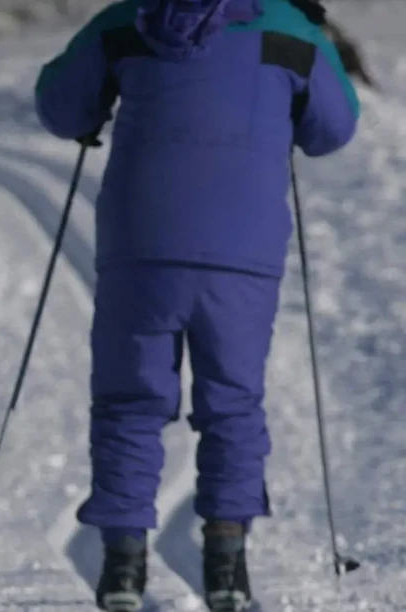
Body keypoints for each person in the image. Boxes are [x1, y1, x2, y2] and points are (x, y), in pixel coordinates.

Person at [32, 0, 359, 609]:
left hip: (141, 246)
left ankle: (123, 568)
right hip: (241, 250)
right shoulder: (288, 29)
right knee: (233, 404)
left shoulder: (126, 21)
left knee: (128, 401)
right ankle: (228, 565)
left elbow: (59, 106)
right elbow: (331, 130)